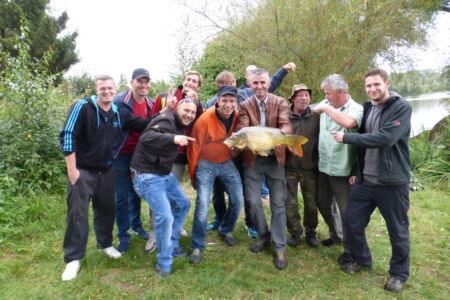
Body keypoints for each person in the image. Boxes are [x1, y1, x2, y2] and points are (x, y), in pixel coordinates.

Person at [59, 75, 150, 281]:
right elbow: (67, 135)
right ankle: (73, 259)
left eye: (110, 88)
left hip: (107, 170)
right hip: (82, 170)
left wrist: (167, 112)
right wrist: (72, 170)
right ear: (96, 89)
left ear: (115, 88)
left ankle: (105, 244)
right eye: (103, 88)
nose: (107, 91)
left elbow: (140, 124)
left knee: (107, 209)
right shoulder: (82, 106)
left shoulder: (119, 112)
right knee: (77, 214)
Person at [332, 68, 412, 293]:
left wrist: (347, 137)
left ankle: (398, 274)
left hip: (392, 183)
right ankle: (362, 259)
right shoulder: (367, 108)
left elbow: (387, 138)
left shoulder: (401, 107)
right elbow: (362, 146)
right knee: (351, 220)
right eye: (368, 86)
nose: (373, 89)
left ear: (387, 82)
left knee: (398, 230)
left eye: (377, 84)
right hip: (366, 181)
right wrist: (357, 169)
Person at [131, 99, 197, 278]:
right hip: (146, 175)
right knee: (165, 217)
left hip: (162, 174)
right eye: (186, 110)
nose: (189, 114)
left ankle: (173, 243)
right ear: (177, 108)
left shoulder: (180, 123)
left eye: (192, 112)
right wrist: (173, 138)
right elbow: (146, 137)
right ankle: (164, 262)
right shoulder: (167, 120)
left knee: (183, 204)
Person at [237, 68, 292, 270]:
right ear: (249, 85)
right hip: (253, 158)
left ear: (268, 83)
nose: (259, 86)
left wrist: (281, 135)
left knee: (278, 203)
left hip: (275, 158)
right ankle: (264, 235)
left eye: (262, 82)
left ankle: (279, 246)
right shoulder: (244, 105)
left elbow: (286, 125)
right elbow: (244, 129)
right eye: (255, 83)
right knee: (252, 201)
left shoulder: (280, 102)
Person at [187, 86, 244, 264]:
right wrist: (194, 175)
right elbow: (193, 148)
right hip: (205, 164)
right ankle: (197, 245)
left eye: (232, 101)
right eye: (224, 100)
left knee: (238, 199)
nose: (228, 104)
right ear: (218, 100)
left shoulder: (236, 117)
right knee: (202, 203)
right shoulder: (204, 120)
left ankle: (225, 229)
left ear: (236, 102)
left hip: (226, 163)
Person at [150, 70, 203, 237]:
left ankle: (174, 224)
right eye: (188, 79)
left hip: (180, 154)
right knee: (157, 190)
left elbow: (200, 124)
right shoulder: (166, 95)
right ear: (183, 80)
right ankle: (154, 228)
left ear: (198, 87)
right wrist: (168, 107)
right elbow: (153, 119)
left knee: (173, 191)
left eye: (195, 81)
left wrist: (197, 104)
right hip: (161, 150)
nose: (190, 83)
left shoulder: (198, 103)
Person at [312, 74, 363, 247]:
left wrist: (325, 109)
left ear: (341, 92)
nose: (325, 97)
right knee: (324, 203)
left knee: (346, 211)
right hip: (324, 166)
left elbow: (349, 123)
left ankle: (351, 248)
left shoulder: (355, 108)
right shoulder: (327, 104)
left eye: (328, 93)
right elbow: (311, 110)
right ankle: (337, 235)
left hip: (344, 170)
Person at [113, 68, 154, 253]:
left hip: (140, 155)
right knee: (121, 196)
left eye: (146, 82)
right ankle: (123, 235)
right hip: (120, 154)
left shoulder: (151, 103)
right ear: (132, 83)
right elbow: (131, 124)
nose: (143, 85)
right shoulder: (121, 101)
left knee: (136, 192)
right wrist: (157, 118)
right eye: (140, 81)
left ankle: (136, 226)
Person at [284, 84, 320, 248]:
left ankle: (311, 232)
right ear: (293, 98)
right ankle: (295, 232)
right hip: (289, 167)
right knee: (290, 203)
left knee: (311, 203)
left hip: (310, 167)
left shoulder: (316, 116)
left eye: (307, 95)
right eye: (300, 95)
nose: (304, 98)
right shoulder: (284, 116)